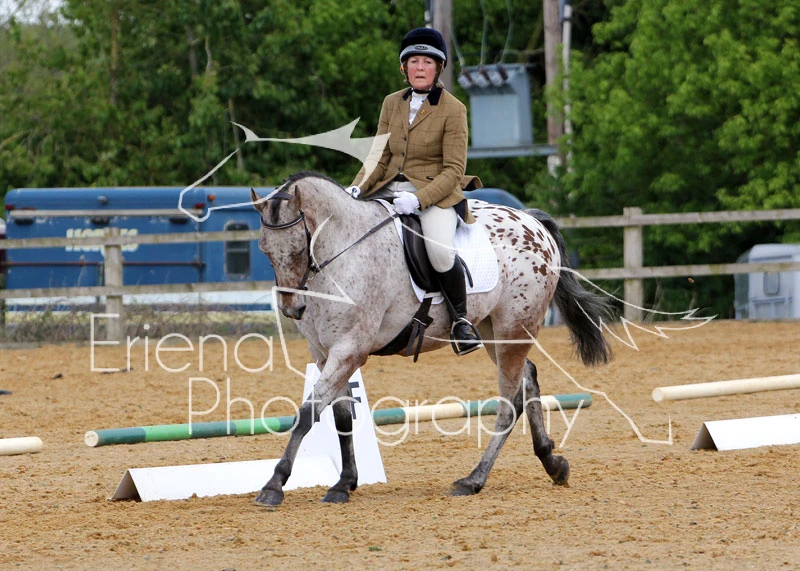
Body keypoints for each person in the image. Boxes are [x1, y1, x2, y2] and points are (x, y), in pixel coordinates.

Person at [347, 27, 483, 355]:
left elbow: (454, 170)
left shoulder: (454, 109)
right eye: (414, 62)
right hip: (387, 189)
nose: (420, 68)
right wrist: (356, 187)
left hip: (434, 193)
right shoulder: (391, 103)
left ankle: (461, 321)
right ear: (404, 67)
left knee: (439, 252)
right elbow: (379, 157)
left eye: (427, 62)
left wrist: (419, 199)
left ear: (438, 68)